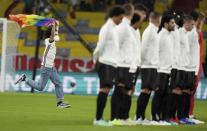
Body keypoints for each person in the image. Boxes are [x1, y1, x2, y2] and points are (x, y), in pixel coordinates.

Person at [15, 21, 71, 108]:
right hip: (46, 68)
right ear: (51, 33)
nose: (55, 32)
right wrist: (53, 25)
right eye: (54, 31)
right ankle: (25, 79)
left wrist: (57, 25)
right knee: (40, 87)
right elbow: (54, 35)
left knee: (58, 83)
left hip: (51, 68)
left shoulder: (50, 40)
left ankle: (60, 103)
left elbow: (55, 33)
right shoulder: (49, 41)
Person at [93, 5, 125, 126]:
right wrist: (96, 59)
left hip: (111, 63)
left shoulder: (114, 28)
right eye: (121, 18)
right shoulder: (106, 28)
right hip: (105, 62)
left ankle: (99, 118)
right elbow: (100, 45)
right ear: (115, 16)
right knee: (104, 89)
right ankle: (98, 118)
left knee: (106, 89)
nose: (121, 20)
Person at [110, 3, 136, 126]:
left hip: (126, 64)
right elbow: (116, 45)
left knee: (124, 91)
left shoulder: (127, 27)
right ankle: (114, 118)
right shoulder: (123, 27)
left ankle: (121, 117)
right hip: (121, 64)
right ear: (130, 13)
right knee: (119, 90)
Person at [135, 12, 161, 125]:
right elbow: (143, 48)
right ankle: (138, 116)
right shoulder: (149, 31)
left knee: (149, 91)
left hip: (153, 65)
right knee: (145, 90)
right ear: (156, 19)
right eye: (160, 19)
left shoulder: (155, 31)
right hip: (147, 65)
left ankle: (142, 116)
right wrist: (142, 64)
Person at [151, 11, 175, 125]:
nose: (174, 24)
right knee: (159, 94)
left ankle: (163, 118)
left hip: (168, 70)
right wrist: (157, 67)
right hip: (160, 70)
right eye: (172, 22)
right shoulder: (160, 35)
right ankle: (155, 117)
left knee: (166, 95)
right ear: (165, 23)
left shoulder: (170, 36)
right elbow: (154, 52)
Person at [189, 12, 205, 124]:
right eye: (202, 21)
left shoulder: (198, 32)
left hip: (197, 65)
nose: (203, 23)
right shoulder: (194, 33)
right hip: (193, 65)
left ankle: (188, 113)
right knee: (190, 90)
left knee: (191, 91)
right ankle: (187, 114)